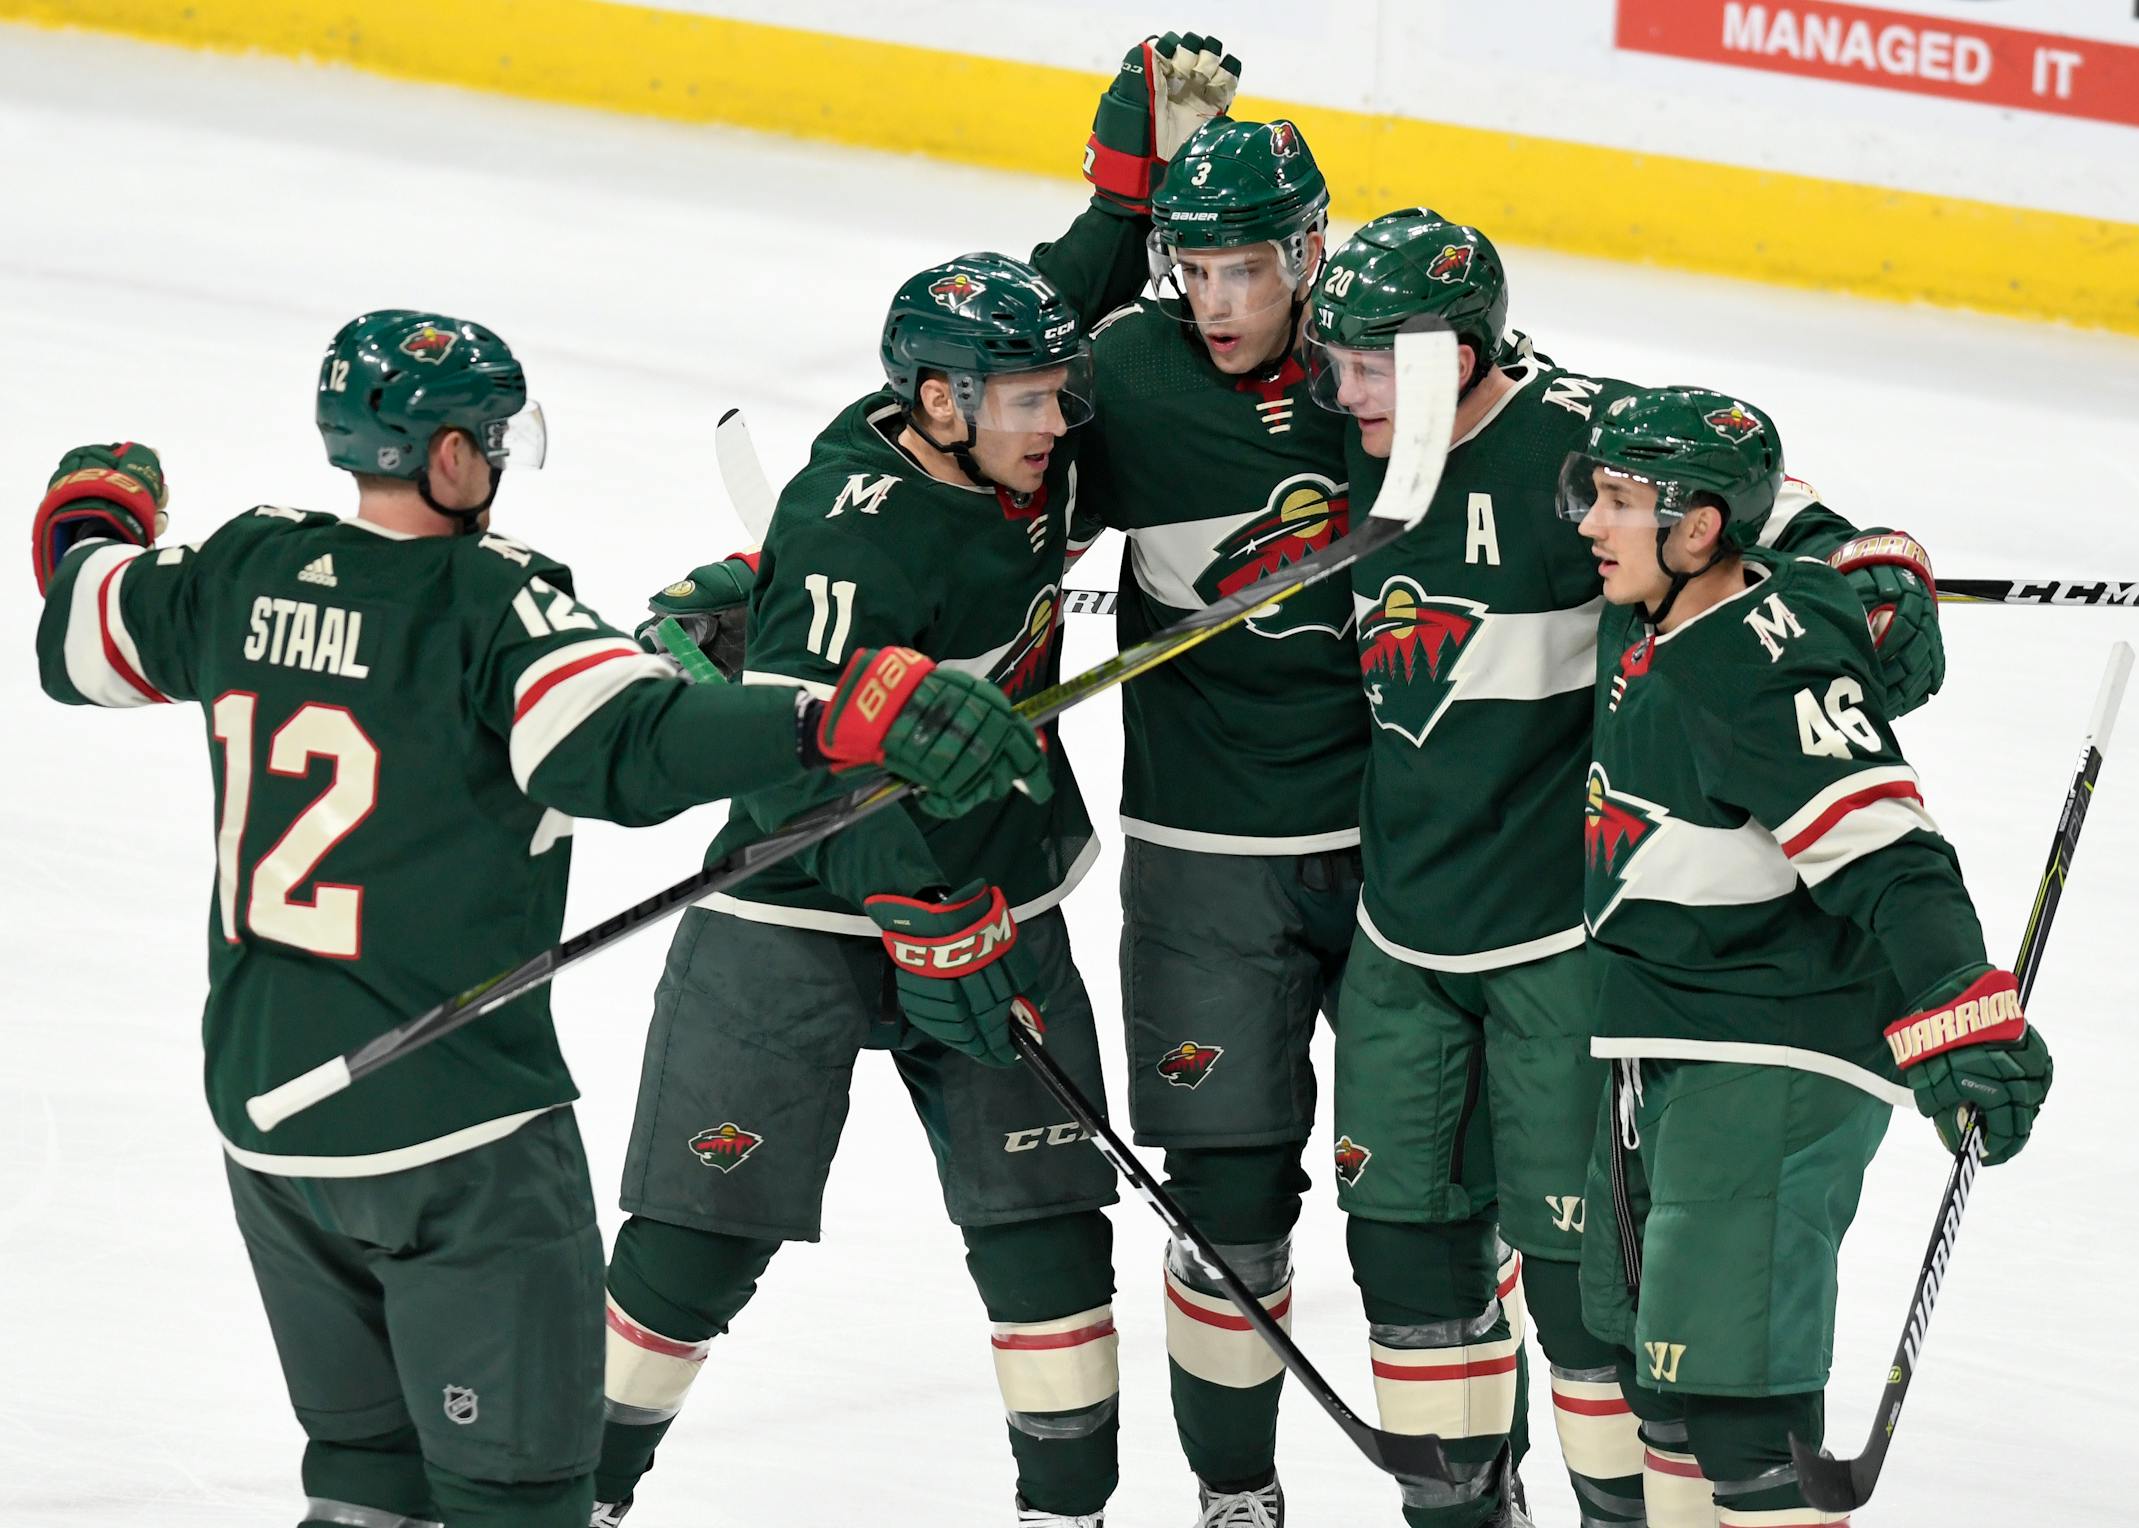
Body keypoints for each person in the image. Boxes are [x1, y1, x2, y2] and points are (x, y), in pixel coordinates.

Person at [27, 311, 1047, 1528]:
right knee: (521, 1500)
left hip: (271, 1124)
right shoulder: (493, 608)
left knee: (364, 1483)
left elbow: (80, 623)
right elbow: (634, 744)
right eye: (493, 436)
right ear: (450, 457)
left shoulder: (243, 568)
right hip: (456, 1136)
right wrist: (841, 710)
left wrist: (96, 512)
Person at [1303, 213, 1948, 1528]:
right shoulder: (1341, 441)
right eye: (1337, 362)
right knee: (1408, 1269)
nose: (1342, 391)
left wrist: (1870, 569)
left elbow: (1771, 519)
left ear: (1456, 353)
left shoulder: (1582, 439)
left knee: (1586, 1301)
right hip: (1402, 935)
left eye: (1372, 365)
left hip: (1562, 949)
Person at [593, 254, 1128, 1528]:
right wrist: (913, 911)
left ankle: (1069, 1515)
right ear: (941, 403)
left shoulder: (1011, 448)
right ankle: (566, 1499)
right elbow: (794, 774)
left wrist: (1120, 196)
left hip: (997, 898)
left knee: (1050, 1232)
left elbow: (1059, 290)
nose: (1059, 426)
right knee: (697, 1239)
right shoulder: (850, 521)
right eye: (1029, 401)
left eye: (1061, 395)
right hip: (795, 918)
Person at [1561, 387, 2051, 1528]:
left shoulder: (1758, 667)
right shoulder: (1664, 601)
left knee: (1741, 1419)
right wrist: (1865, 547)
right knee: (1662, 1393)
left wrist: (1961, 1015)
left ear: (1695, 533)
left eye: (1619, 503)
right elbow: (1775, 498)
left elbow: (1893, 855)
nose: (1588, 522)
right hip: (1666, 1031)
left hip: (1774, 1049)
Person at [1065, 114, 1358, 1528]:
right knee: (1227, 1200)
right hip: (1204, 856)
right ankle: (1235, 1496)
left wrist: (1806, 529)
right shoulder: (1126, 370)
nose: (1220, 302)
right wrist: (794, 570)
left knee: (1448, 1203)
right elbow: (975, 469)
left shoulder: (1399, 357)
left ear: (1309, 252)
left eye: (1247, 269)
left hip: (1408, 851)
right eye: (1193, 269)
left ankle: (1483, 1488)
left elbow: (1590, 446)